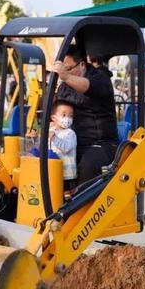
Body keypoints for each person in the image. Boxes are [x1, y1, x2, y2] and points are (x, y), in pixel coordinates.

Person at [53, 44, 118, 185]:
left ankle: (84, 205)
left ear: (82, 64)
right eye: (63, 70)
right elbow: (56, 110)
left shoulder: (100, 79)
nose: (65, 73)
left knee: (88, 163)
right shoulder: (65, 86)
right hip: (73, 141)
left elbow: (87, 86)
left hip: (102, 143)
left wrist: (65, 76)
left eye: (68, 68)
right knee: (48, 159)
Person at [49, 100, 77, 195]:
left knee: (69, 195)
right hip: (55, 171)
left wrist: (54, 138)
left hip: (67, 174)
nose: (68, 119)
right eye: (64, 115)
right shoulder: (51, 132)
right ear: (54, 118)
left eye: (70, 116)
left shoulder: (70, 133)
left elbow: (66, 148)